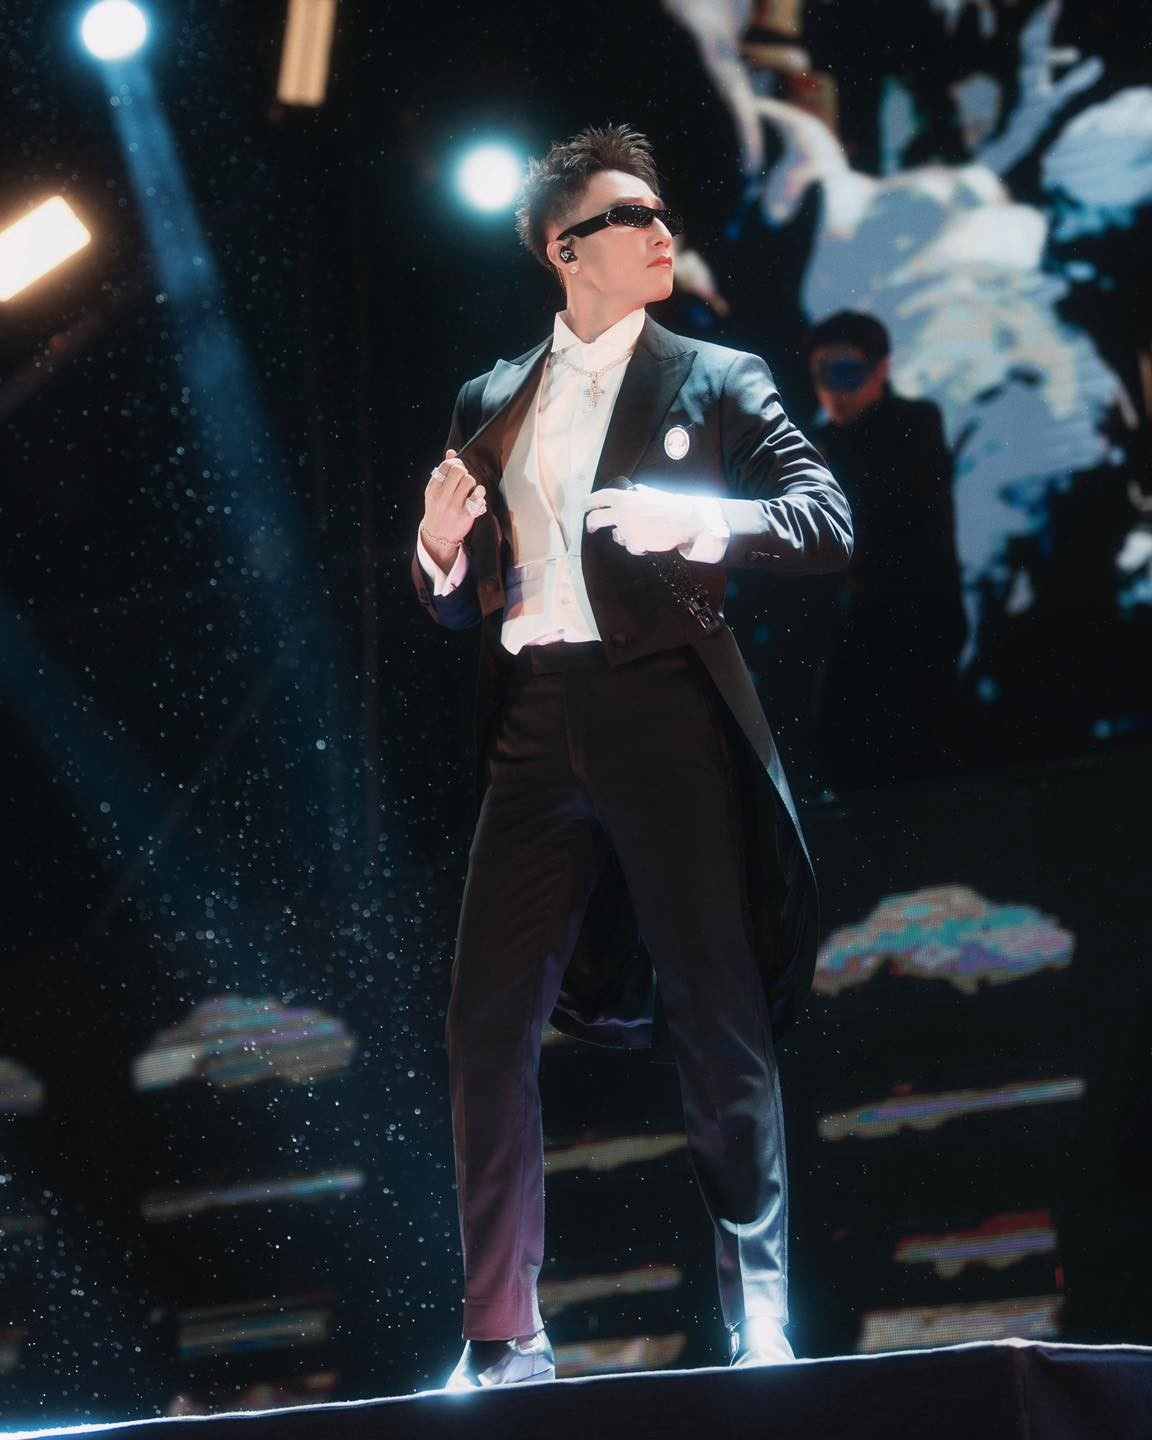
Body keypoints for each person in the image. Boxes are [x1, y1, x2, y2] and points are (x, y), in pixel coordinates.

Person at [411, 124, 852, 1389]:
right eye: (634, 217)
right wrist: (436, 549)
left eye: (663, 214)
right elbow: (457, 599)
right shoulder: (492, 398)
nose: (664, 233)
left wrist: (700, 521)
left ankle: (758, 1322)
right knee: (485, 1024)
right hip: (534, 723)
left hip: (663, 709)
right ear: (567, 250)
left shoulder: (715, 377)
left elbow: (824, 518)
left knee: (720, 1011)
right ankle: (503, 1335)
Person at [805, 311, 965, 787]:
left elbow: (885, 503)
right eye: (822, 374)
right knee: (838, 746)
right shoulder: (825, 441)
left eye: (847, 372)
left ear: (882, 370)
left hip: (923, 612)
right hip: (868, 610)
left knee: (916, 752)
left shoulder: (917, 421)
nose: (834, 389)